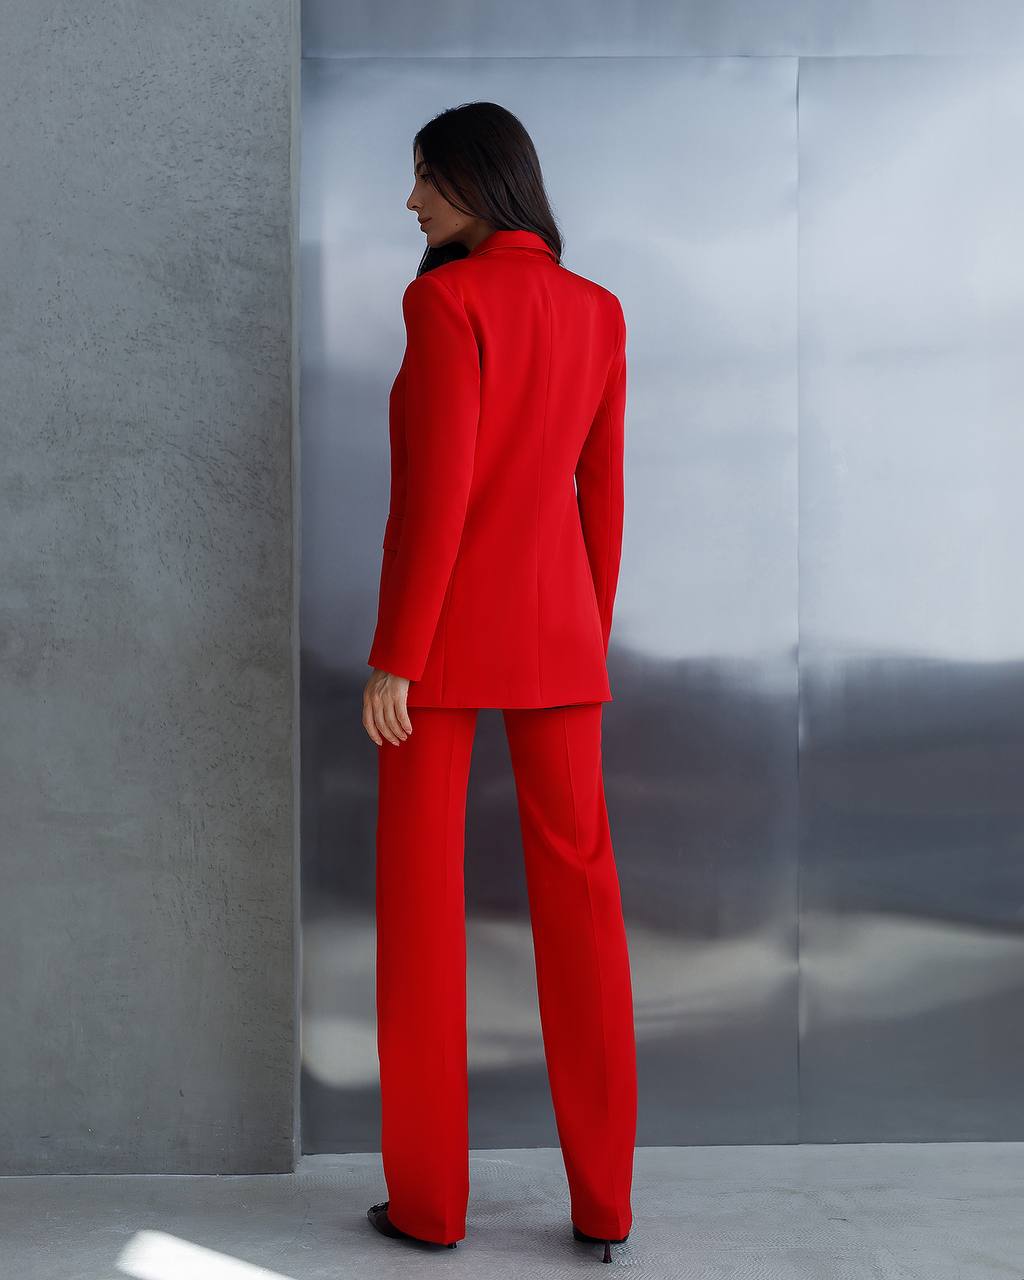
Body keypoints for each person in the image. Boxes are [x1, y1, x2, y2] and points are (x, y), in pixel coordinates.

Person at [362, 101, 636, 1265]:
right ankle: (604, 1206)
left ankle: (429, 1205)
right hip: (562, 645)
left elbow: (438, 496)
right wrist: (585, 631)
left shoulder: (444, 301)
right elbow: (601, 500)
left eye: (426, 179)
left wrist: (397, 655)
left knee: (421, 908)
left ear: (478, 181)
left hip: (444, 653)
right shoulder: (598, 311)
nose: (413, 202)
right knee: (583, 906)